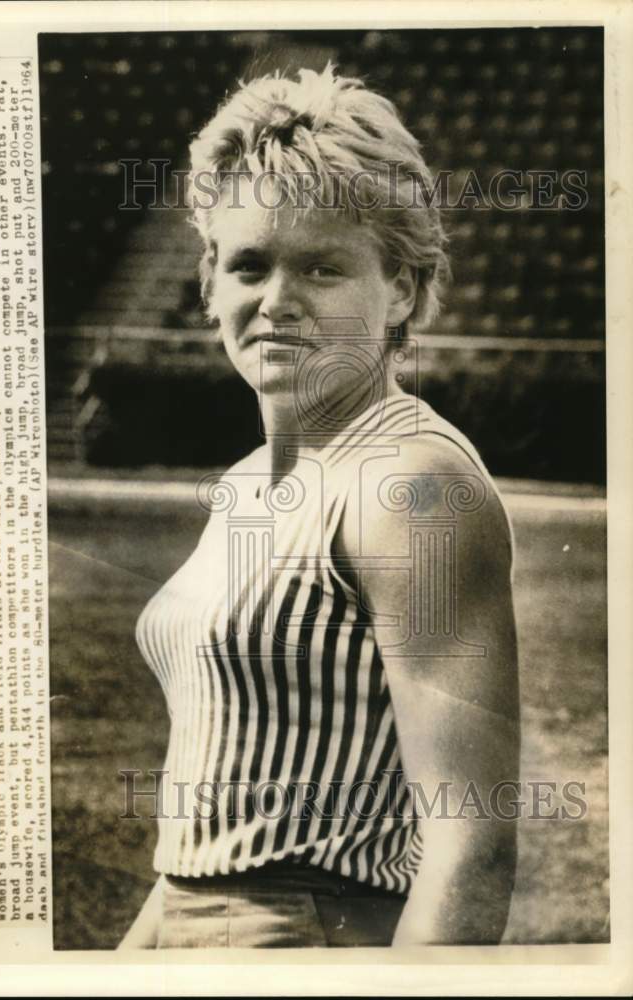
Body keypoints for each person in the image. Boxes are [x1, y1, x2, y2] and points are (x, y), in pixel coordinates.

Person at [119, 64, 519, 949]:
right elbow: (208, 846)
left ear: (404, 290)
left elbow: (472, 847)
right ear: (210, 281)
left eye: (324, 268)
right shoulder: (245, 485)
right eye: (250, 265)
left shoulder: (413, 484)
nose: (277, 303)